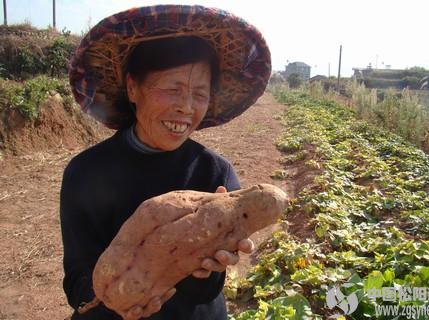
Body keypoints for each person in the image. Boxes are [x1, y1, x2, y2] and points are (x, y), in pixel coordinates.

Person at [60, 4, 271, 320]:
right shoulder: (86, 172)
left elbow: (208, 292)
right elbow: (77, 279)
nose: (187, 108)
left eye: (199, 93)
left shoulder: (216, 173)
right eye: (173, 89)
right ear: (133, 87)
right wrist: (111, 298)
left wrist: (207, 271)